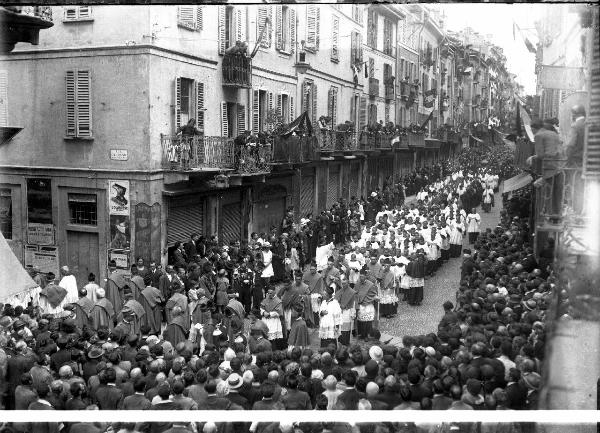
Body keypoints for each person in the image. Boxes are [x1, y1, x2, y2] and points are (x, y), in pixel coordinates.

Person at [354, 269, 377, 340]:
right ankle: (361, 334)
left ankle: (367, 335)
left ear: (365, 277)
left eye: (362, 277)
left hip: (367, 305)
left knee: (367, 321)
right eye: (360, 277)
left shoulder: (370, 284)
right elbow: (355, 293)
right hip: (360, 304)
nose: (361, 278)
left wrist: (366, 300)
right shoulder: (357, 283)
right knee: (360, 321)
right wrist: (358, 300)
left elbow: (373, 294)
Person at [260, 286, 285, 351]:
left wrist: (270, 314)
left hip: (273, 321)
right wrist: (263, 312)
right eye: (268, 293)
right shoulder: (266, 299)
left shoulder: (278, 301)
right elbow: (261, 307)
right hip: (265, 320)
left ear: (274, 292)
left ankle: (273, 351)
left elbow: (279, 312)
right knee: (265, 336)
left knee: (273, 339)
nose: (269, 294)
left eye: (271, 293)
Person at [335, 278, 356, 346]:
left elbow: (353, 304)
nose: (343, 285)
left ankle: (346, 342)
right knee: (340, 327)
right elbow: (335, 300)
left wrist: (353, 313)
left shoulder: (352, 292)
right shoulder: (339, 291)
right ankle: (340, 341)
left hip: (347, 312)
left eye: (345, 283)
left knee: (346, 328)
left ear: (348, 284)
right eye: (342, 283)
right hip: (340, 312)